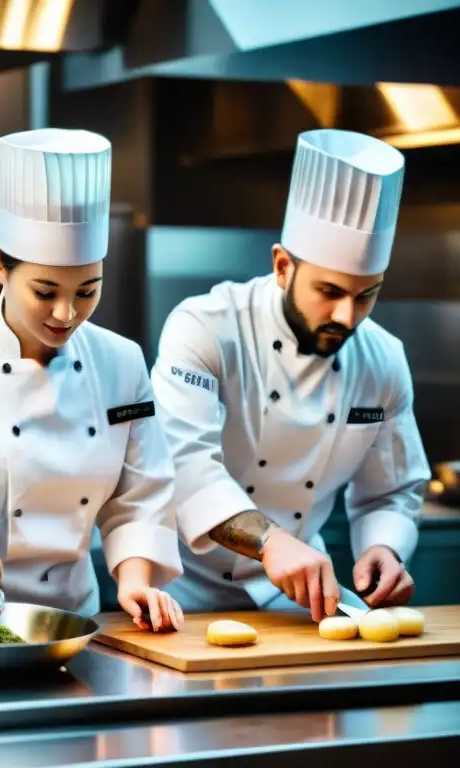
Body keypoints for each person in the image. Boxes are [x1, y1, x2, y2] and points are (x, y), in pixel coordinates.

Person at [0, 128, 185, 631]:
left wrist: (134, 579)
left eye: (88, 291)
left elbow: (140, 496)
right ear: (1, 265)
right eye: (45, 292)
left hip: (66, 621)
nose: (67, 314)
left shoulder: (122, 362)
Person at [150, 129, 430, 622]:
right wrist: (271, 541)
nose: (347, 316)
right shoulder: (206, 328)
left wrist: (385, 547)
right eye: (330, 290)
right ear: (283, 266)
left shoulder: (383, 359)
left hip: (293, 600)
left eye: (366, 295)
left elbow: (391, 490)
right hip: (176, 594)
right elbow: (184, 466)